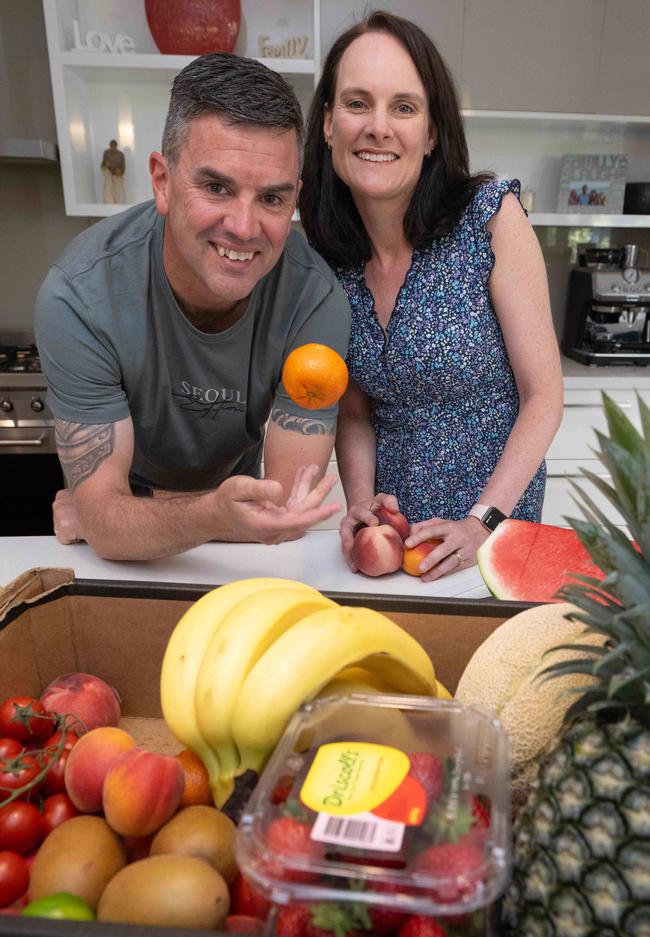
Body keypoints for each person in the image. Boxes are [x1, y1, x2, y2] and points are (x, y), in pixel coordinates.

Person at [35, 53, 350, 561]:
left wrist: (125, 512)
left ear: (296, 197)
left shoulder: (316, 301)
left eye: (271, 198)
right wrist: (120, 518)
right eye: (216, 187)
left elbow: (286, 513)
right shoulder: (78, 297)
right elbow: (108, 530)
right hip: (135, 561)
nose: (244, 228)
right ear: (162, 181)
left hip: (238, 550)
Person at [299, 11, 563, 582]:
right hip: (390, 550)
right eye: (356, 103)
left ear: (433, 131)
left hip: (491, 544)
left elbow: (543, 398)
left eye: (404, 107)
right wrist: (361, 505)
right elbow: (355, 412)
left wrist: (480, 524)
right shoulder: (330, 258)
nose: (378, 127)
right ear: (326, 124)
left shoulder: (490, 218)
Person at [100, 140, 126, 204]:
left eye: (114, 146)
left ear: (116, 146)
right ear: (110, 146)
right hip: (108, 174)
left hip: (117, 176)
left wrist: (120, 172)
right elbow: (102, 165)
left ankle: (120, 204)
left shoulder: (120, 155)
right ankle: (109, 202)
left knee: (119, 190)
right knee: (108, 188)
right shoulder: (106, 153)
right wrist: (106, 166)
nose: (113, 147)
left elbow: (123, 166)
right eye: (112, 146)